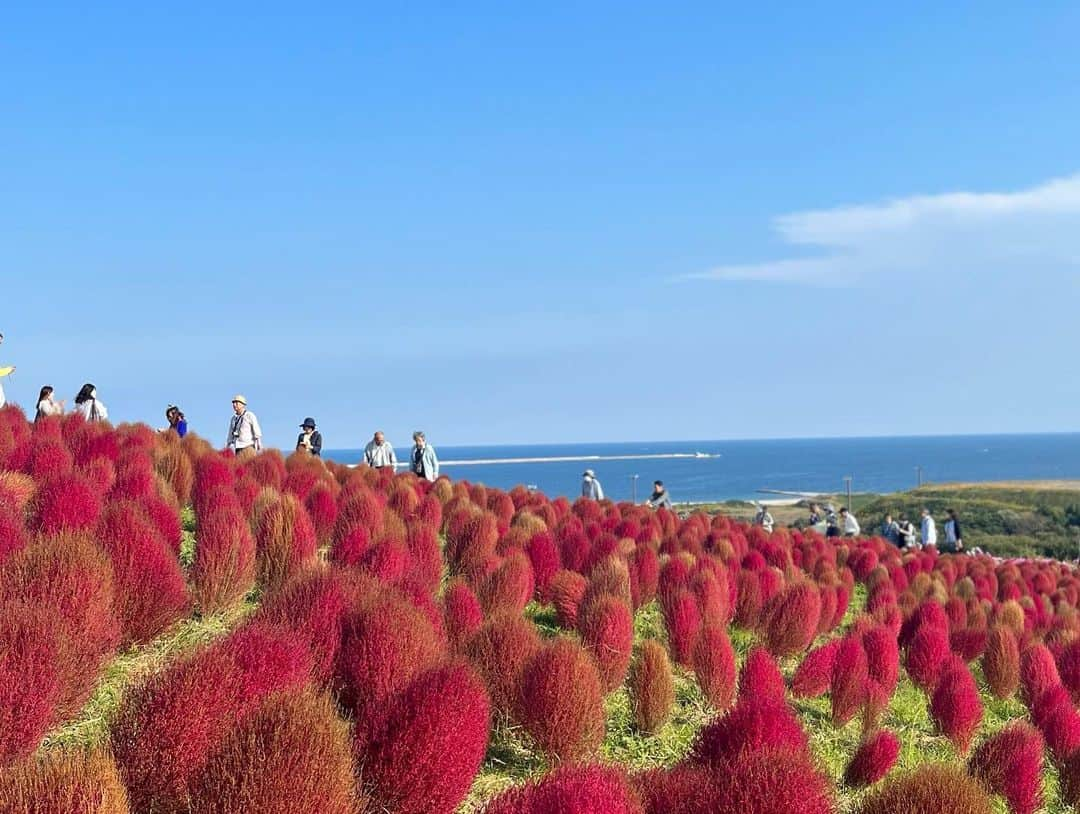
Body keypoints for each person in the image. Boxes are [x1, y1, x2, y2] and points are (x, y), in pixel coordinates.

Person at [226, 395, 262, 459]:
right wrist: (227, 446)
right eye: (233, 403)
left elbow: (256, 429)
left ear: (243, 405)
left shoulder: (249, 415)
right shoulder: (233, 419)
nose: (234, 405)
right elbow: (230, 433)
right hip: (238, 447)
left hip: (248, 447)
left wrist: (259, 443)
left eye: (237, 403)